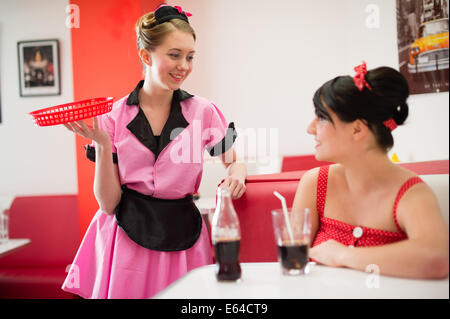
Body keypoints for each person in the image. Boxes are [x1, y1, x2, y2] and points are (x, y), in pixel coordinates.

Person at [61, 5, 247, 298]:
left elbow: (233, 162)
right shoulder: (111, 117)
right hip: (125, 239)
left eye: (190, 56)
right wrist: (103, 142)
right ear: (146, 56)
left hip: (184, 235)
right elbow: (109, 204)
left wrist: (238, 174)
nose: (184, 66)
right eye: (174, 55)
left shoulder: (204, 112)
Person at [292, 61, 449, 279]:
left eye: (321, 118)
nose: (310, 128)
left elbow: (436, 259)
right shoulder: (314, 183)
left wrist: (342, 255)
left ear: (357, 129)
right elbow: (293, 261)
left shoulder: (411, 194)